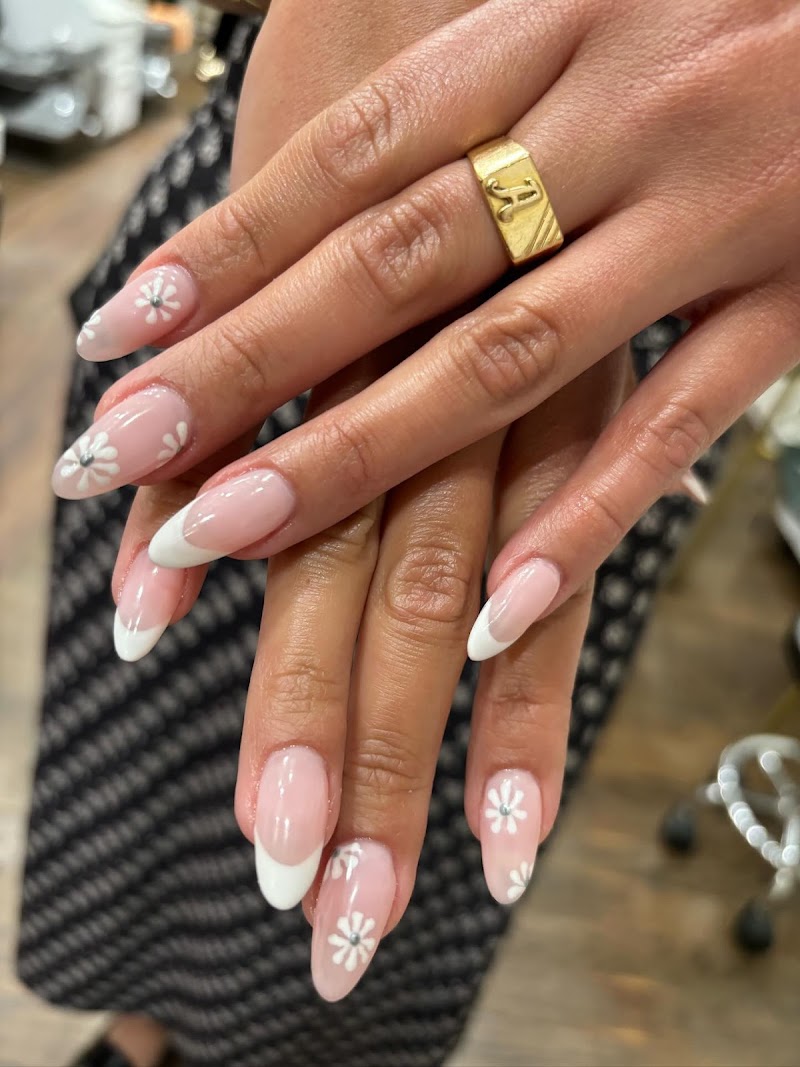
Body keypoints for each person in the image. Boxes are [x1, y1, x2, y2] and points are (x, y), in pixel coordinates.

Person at [19, 0, 788, 1061]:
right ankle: (143, 1032)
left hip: (641, 298)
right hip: (284, 200)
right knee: (154, 783)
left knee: (423, 774)